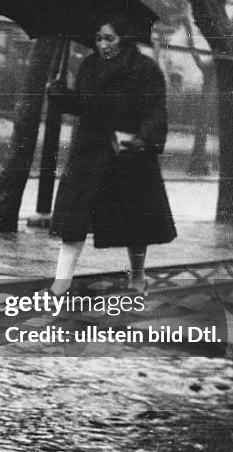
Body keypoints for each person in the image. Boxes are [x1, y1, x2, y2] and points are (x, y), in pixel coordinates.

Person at [48, 15, 176, 296]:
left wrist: (142, 140)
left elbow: (155, 110)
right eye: (98, 38)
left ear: (124, 39)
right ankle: (61, 281)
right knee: (74, 217)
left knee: (135, 224)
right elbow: (82, 105)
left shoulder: (145, 69)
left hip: (128, 156)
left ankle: (138, 275)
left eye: (109, 38)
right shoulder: (90, 66)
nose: (102, 44)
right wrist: (59, 95)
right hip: (89, 153)